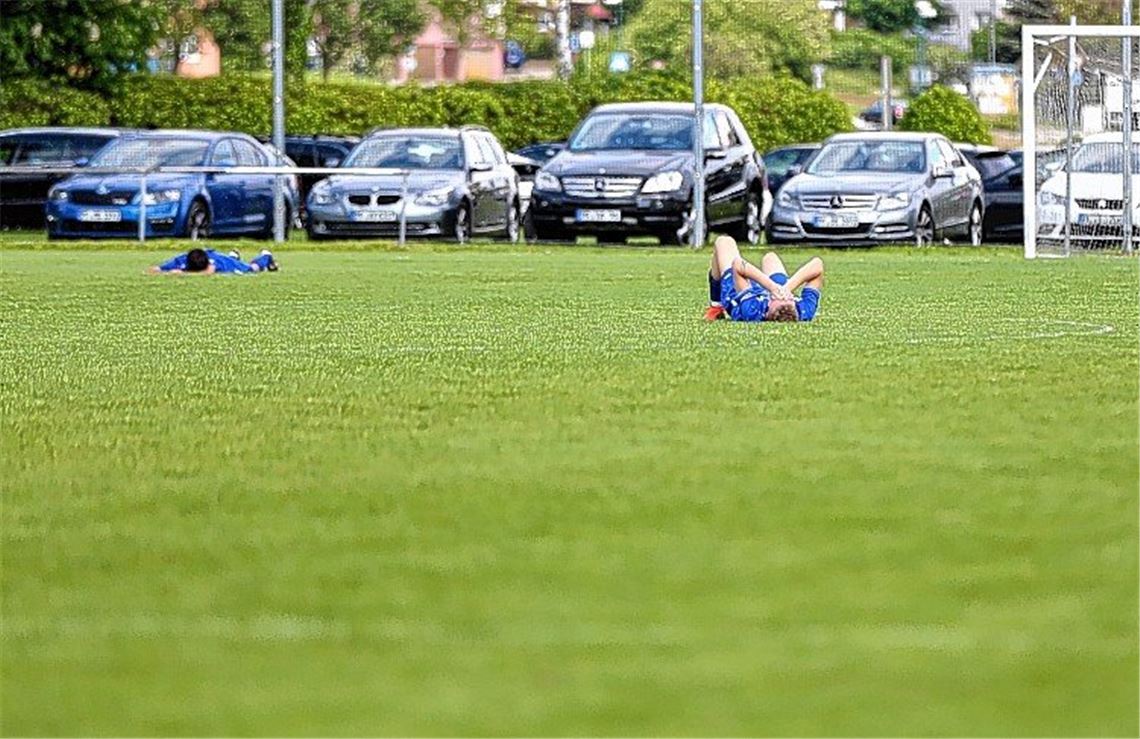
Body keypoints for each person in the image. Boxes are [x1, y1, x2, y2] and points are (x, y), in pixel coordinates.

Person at [703, 235, 823, 323]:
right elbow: (817, 265)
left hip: (738, 287)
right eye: (790, 298)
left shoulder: (752, 310)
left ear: (769, 306)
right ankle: (775, 287)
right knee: (770, 257)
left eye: (781, 297)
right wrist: (787, 288)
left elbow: (738, 265)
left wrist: (772, 287)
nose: (785, 296)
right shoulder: (803, 310)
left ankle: (716, 306)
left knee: (724, 242)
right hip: (769, 289)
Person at [149, 247, 278, 275]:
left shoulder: (211, 263)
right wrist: (165, 272)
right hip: (223, 258)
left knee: (252, 268)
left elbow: (209, 272)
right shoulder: (180, 260)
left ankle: (266, 256)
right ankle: (233, 255)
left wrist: (182, 273)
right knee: (229, 258)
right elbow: (154, 269)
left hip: (228, 264)